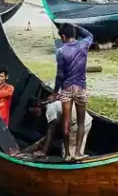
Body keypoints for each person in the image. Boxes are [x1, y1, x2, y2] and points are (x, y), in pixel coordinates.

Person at [54, 23, 93, 160]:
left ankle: (67, 155)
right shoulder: (83, 45)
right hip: (80, 87)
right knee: (81, 122)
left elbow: (59, 76)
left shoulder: (61, 51)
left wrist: (55, 92)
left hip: (66, 88)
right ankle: (78, 153)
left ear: (63, 36)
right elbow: (89, 35)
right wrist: (76, 26)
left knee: (66, 122)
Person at [23, 95, 92, 159]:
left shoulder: (50, 110)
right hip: (86, 122)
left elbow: (51, 131)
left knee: (67, 155)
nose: (33, 114)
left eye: (32, 111)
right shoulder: (52, 104)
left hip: (77, 125)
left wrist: (43, 152)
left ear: (37, 105)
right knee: (77, 153)